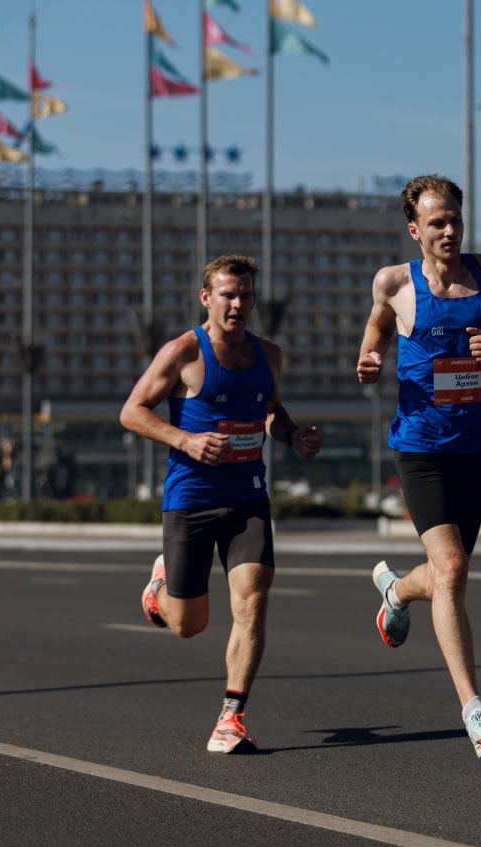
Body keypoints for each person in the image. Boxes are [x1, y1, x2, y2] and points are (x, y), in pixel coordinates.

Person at [356, 175, 481, 758]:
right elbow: (378, 326)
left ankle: (395, 590)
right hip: (420, 448)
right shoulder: (394, 282)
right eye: (436, 222)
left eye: (455, 220)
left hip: (478, 446)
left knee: (444, 576)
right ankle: (475, 710)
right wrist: (369, 356)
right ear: (415, 230)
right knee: (454, 569)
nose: (449, 231)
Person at [120, 253, 323, 754]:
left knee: (252, 599)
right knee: (190, 626)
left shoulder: (268, 355)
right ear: (206, 298)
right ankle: (159, 587)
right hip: (190, 499)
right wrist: (185, 441)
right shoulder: (183, 353)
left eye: (246, 296)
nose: (238, 304)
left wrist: (293, 434)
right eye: (228, 295)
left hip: (248, 496)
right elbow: (132, 411)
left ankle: (231, 717)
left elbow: (270, 413)